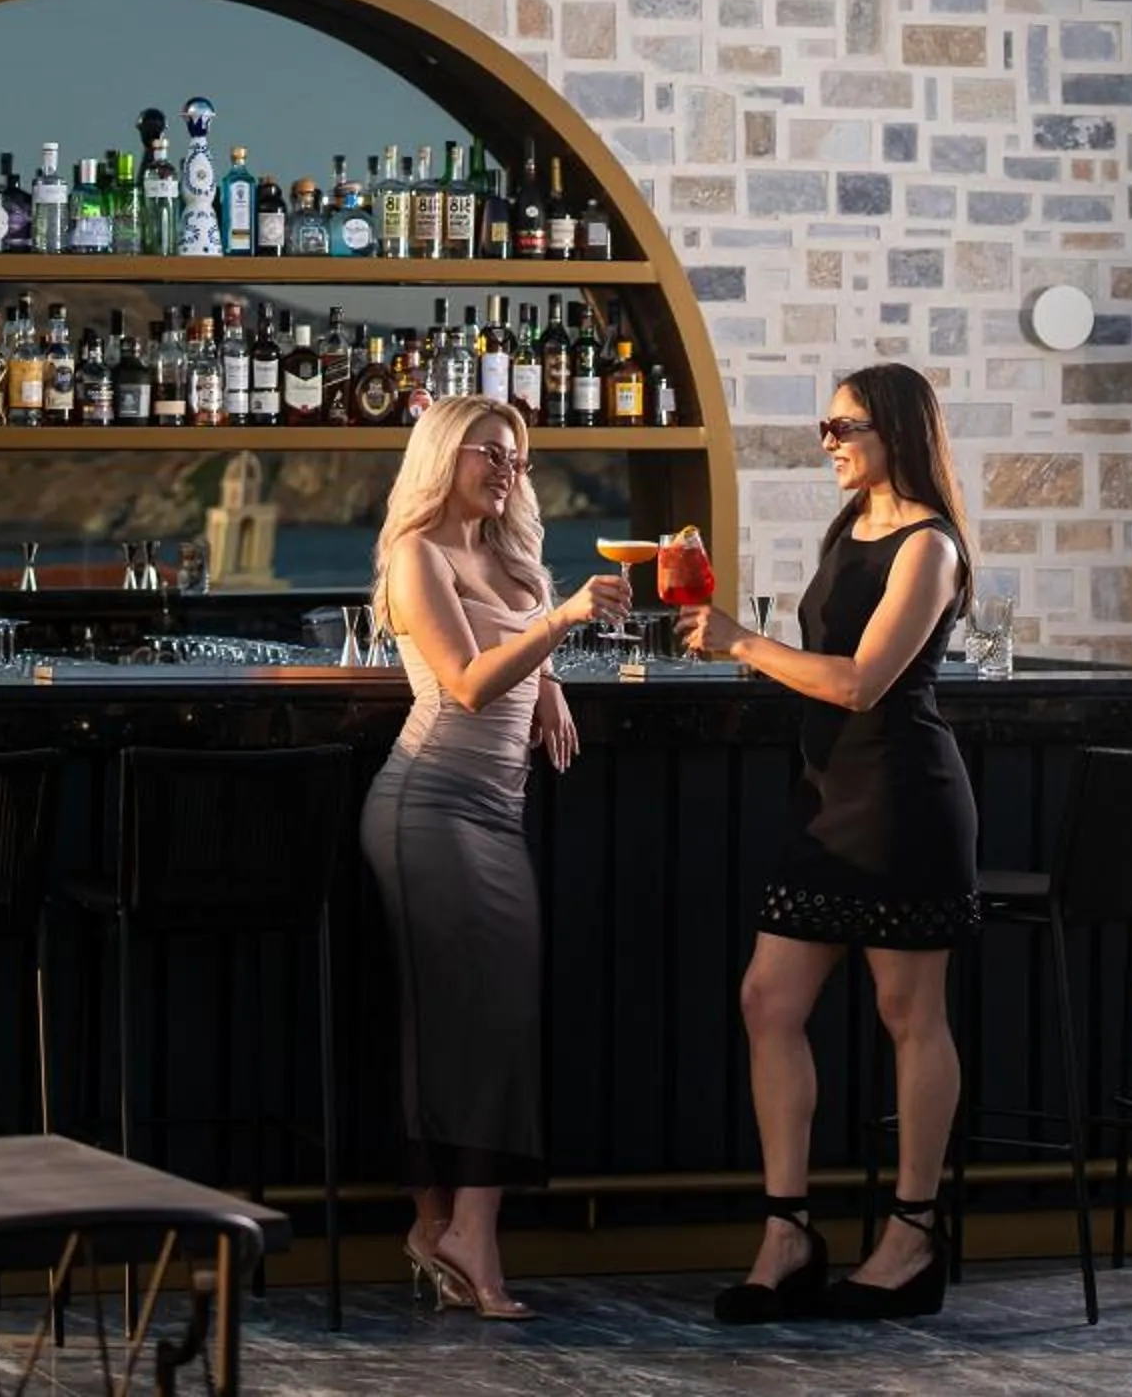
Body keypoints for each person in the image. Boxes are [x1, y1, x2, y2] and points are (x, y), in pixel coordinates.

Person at [678, 363, 978, 1327]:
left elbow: (860, 683)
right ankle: (789, 1231)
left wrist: (739, 642)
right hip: (827, 798)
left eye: (843, 425)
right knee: (769, 1001)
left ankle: (914, 1233)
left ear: (896, 429)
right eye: (824, 425)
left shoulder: (930, 546)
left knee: (907, 1011)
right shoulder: (850, 529)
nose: (828, 441)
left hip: (903, 797)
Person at [359, 395, 628, 1321]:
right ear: (444, 456)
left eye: (516, 454)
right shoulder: (414, 557)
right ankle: (463, 1230)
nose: (507, 466)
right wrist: (566, 628)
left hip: (495, 812)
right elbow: (470, 685)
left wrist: (550, 683)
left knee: (490, 1016)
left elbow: (516, 651)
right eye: (488, 451)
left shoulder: (511, 555)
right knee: (463, 1016)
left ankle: (444, 1226)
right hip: (426, 806)